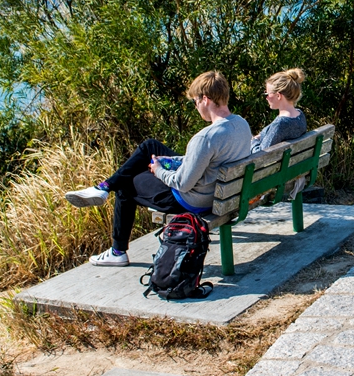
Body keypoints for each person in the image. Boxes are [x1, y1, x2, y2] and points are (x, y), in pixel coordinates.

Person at [64, 71, 251, 266]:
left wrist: (159, 171)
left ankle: (117, 250)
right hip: (219, 195)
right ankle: (103, 188)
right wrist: (172, 161)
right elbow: (208, 160)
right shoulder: (241, 124)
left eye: (194, 102)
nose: (195, 107)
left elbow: (182, 184)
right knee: (150, 146)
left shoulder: (205, 137)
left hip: (191, 201)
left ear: (205, 99)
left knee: (126, 185)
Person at [250, 68, 308, 153]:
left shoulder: (280, 124)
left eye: (267, 94)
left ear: (278, 96)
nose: (266, 98)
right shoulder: (300, 115)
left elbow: (259, 155)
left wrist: (252, 141)